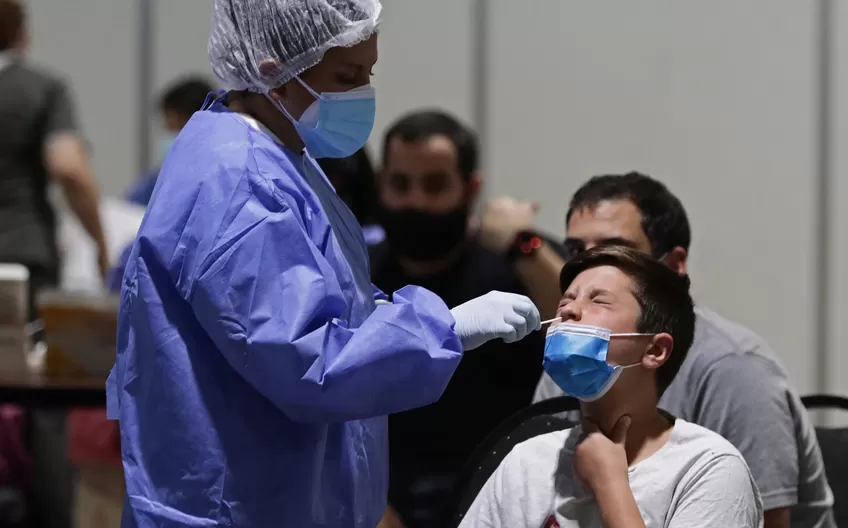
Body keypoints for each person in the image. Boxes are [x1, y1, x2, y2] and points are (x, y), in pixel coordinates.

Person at [105, 1, 541, 527]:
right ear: (273, 70)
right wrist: (442, 328)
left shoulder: (278, 155)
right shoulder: (240, 182)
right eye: (347, 75)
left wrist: (411, 325)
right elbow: (307, 358)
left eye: (368, 73)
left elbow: (331, 299)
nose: (361, 92)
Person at [533, 173, 835, 528]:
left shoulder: (734, 371)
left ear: (674, 265)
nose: (593, 267)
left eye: (616, 249)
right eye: (575, 251)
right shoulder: (569, 359)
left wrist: (609, 483)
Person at [461, 245, 763, 527]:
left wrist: (610, 484)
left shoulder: (708, 468)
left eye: (598, 300)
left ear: (654, 350)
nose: (568, 311)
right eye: (566, 299)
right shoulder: (527, 461)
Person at [369, 110, 566, 528]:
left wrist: (521, 243)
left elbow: (579, 323)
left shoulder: (512, 266)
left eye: (435, 185)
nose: (416, 202)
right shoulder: (358, 273)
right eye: (400, 185)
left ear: (471, 188)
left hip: (507, 504)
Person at [0, 0, 108, 305]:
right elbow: (69, 168)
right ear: (21, 34)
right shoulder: (41, 88)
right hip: (19, 254)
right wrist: (100, 244)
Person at [124, 76, 215, 207]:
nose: (166, 129)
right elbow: (130, 206)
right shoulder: (158, 181)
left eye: (171, 125)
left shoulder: (220, 176)